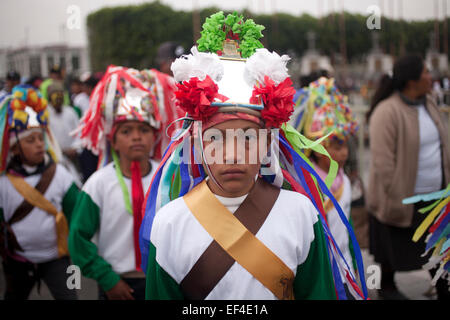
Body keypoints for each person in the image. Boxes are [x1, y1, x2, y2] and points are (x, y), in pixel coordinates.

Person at [140, 11, 367, 300]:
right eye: (216, 138)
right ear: (196, 141)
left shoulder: (301, 214)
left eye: (248, 138)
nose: (233, 154)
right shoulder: (170, 224)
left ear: (268, 141)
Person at [68, 66, 165, 300]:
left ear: (154, 136)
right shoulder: (98, 184)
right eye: (126, 131)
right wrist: (107, 279)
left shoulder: (166, 179)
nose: (136, 136)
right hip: (115, 283)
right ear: (113, 140)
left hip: (160, 282)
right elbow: (78, 238)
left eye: (144, 129)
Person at [367, 54, 450, 300]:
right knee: (390, 252)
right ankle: (387, 288)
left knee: (440, 250)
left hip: (436, 199)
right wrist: (399, 195)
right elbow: (383, 164)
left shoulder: (430, 102)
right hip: (403, 201)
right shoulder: (387, 111)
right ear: (411, 80)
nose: (430, 77)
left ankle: (444, 289)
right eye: (425, 72)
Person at [0, 85, 79, 300]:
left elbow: (76, 215)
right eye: (30, 140)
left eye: (40, 138)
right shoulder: (4, 183)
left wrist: (77, 251)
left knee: (72, 296)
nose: (39, 145)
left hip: (60, 260)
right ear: (15, 148)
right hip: (17, 260)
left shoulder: (61, 174)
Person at [290, 77, 360, 295]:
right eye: (336, 146)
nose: (344, 153)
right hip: (322, 270)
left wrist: (354, 265)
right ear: (317, 146)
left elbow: (347, 227)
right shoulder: (305, 183)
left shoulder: (345, 180)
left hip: (345, 266)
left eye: (345, 146)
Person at [47, 81, 82, 185]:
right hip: (55, 160)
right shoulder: (45, 114)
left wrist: (75, 148)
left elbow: (79, 133)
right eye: (55, 98)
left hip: (73, 157)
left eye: (60, 97)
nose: (58, 100)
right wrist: (60, 151)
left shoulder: (70, 112)